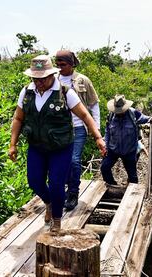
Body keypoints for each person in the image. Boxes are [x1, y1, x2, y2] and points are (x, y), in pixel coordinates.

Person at [8, 55, 106, 231]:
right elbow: (18, 118)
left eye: (42, 78)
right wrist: (12, 144)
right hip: (37, 147)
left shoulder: (65, 92)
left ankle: (57, 221)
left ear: (52, 74)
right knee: (35, 181)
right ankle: (49, 202)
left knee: (56, 183)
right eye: (35, 78)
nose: (38, 82)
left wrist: (98, 137)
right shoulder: (27, 92)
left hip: (61, 147)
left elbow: (85, 115)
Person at [55, 50, 100, 211]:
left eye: (63, 64)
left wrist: (96, 129)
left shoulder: (83, 80)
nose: (60, 68)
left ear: (72, 64)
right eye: (58, 64)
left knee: (74, 160)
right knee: (61, 161)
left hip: (79, 127)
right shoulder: (53, 80)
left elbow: (94, 104)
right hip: (59, 129)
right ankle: (66, 190)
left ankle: (73, 193)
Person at [101, 95, 152, 186]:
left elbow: (144, 118)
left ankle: (132, 194)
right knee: (104, 168)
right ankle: (113, 185)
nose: (119, 113)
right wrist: (105, 145)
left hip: (129, 151)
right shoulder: (110, 116)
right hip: (113, 149)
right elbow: (107, 132)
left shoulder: (133, 114)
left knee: (133, 177)